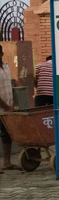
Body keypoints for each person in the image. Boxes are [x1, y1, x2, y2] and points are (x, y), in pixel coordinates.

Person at [0, 44, 19, 172]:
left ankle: (7, 162)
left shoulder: (6, 67)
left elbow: (10, 86)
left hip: (7, 109)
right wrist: (6, 106)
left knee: (7, 135)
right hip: (4, 107)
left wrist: (13, 103)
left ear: (1, 54)